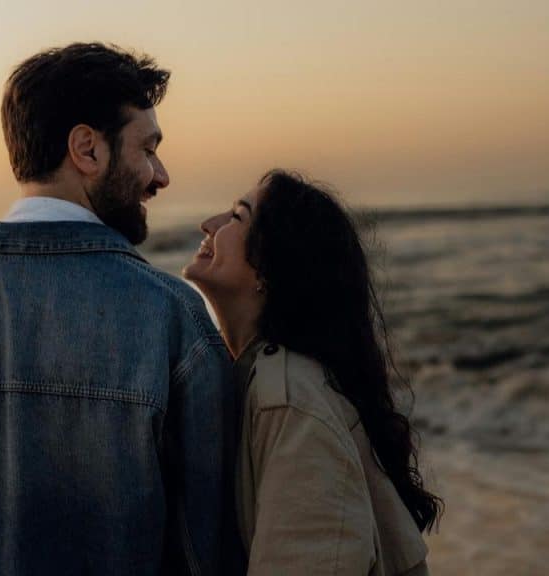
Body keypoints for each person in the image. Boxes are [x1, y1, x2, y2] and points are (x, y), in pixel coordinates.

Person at [0, 43, 240, 575]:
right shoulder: (172, 317)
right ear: (87, 149)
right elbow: (209, 551)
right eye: (148, 148)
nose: (161, 175)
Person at [184, 169, 443, 575]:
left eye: (237, 217)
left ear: (269, 267)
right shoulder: (254, 375)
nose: (209, 224)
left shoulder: (291, 400)